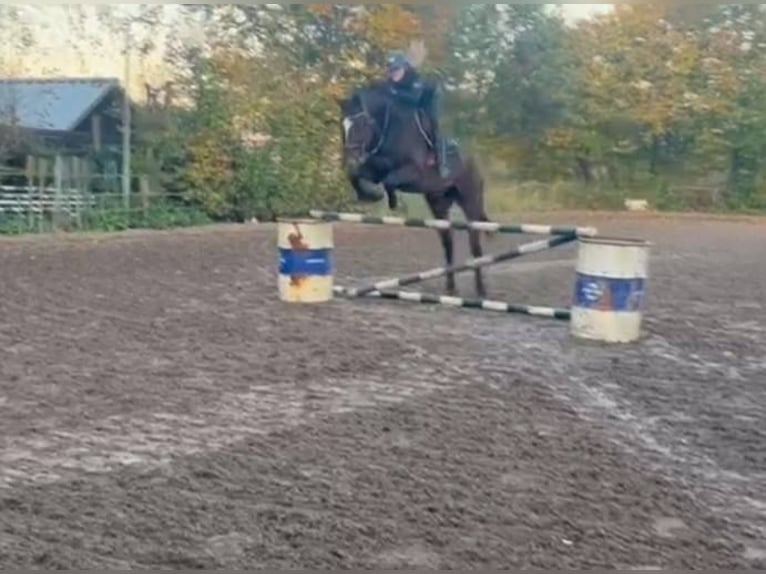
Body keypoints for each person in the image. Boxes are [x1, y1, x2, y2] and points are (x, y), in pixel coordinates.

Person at [384, 51, 450, 178]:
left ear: (404, 68)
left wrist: (395, 94)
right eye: (391, 70)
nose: (394, 73)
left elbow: (414, 99)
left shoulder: (414, 79)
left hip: (427, 102)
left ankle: (442, 162)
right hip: (410, 106)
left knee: (434, 123)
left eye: (397, 69)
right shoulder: (391, 82)